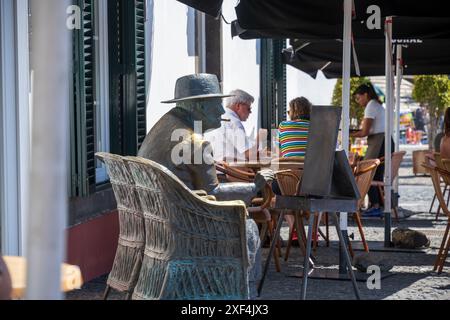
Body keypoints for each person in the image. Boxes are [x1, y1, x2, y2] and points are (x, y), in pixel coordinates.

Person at [137, 74, 274, 299]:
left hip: (158, 220)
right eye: (217, 104)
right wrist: (256, 186)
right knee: (248, 229)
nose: (222, 111)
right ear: (200, 106)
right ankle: (243, 297)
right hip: (185, 227)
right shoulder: (194, 142)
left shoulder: (161, 128)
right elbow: (214, 195)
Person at [351, 82, 394, 217]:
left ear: (366, 95)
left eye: (359, 98)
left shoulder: (371, 106)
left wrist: (348, 133)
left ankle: (375, 205)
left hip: (380, 142)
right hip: (384, 141)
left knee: (367, 171)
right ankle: (378, 205)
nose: (358, 102)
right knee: (375, 173)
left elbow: (364, 132)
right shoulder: (376, 104)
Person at [205, 89, 258, 162]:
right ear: (238, 106)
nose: (250, 112)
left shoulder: (219, 117)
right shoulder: (233, 121)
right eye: (248, 109)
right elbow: (249, 154)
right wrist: (260, 138)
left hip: (218, 168)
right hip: (230, 171)